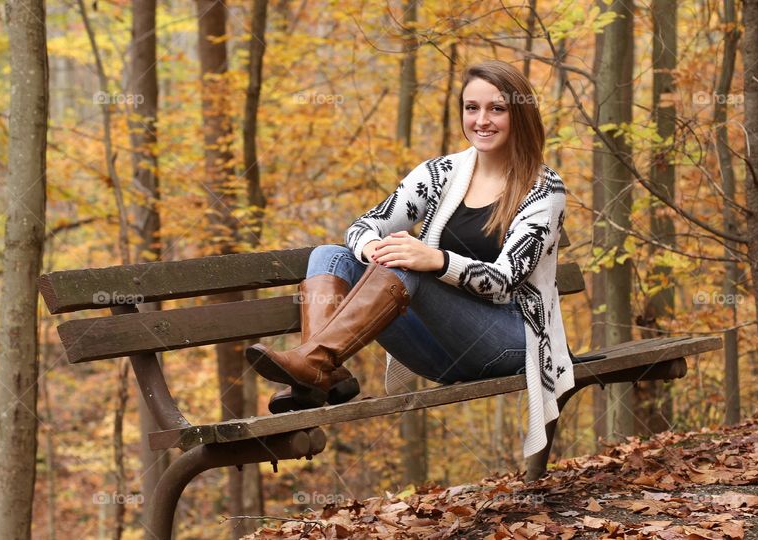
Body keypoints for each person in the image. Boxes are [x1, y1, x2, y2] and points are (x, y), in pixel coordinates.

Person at [246, 59, 574, 458]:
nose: (482, 120)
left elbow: (504, 282)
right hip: (438, 349)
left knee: (409, 261)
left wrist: (434, 259)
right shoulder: (439, 173)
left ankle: (315, 366)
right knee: (330, 254)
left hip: (510, 342)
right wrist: (372, 247)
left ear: (519, 115)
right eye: (472, 108)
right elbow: (362, 227)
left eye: (497, 109)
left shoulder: (543, 188)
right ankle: (322, 371)